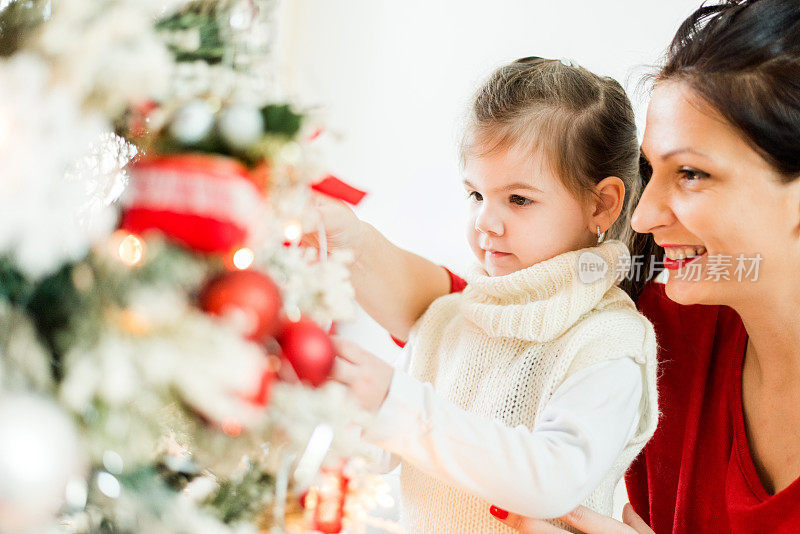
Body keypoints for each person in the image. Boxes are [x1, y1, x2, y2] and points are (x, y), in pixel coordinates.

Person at [314, 1, 800, 532]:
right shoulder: (670, 309)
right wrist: (343, 236)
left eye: (691, 174)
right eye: (652, 170)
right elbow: (462, 315)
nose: (642, 216)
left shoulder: (625, 337)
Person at [307, 57, 659, 533]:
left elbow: (553, 479)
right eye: (476, 194)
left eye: (518, 199)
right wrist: (322, 394)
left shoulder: (610, 339)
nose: (485, 224)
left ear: (601, 204)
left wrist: (395, 402)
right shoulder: (447, 320)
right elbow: (376, 449)